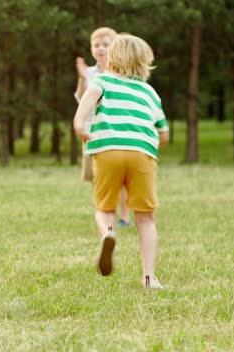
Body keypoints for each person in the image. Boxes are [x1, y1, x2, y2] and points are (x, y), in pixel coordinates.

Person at [73, 34, 169, 289]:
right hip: (141, 156)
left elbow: (88, 98)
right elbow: (164, 133)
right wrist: (146, 147)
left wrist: (80, 124)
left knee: (105, 208)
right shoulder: (150, 92)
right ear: (144, 62)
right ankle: (149, 277)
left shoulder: (102, 80)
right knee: (146, 219)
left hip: (107, 151)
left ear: (112, 59)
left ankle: (108, 233)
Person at [75, 27, 131, 227]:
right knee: (95, 176)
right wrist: (82, 77)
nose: (100, 49)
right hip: (91, 132)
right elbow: (80, 98)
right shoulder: (89, 73)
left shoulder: (120, 73)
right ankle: (104, 214)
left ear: (114, 48)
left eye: (105, 45)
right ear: (91, 50)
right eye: (96, 45)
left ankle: (124, 216)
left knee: (120, 177)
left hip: (114, 131)